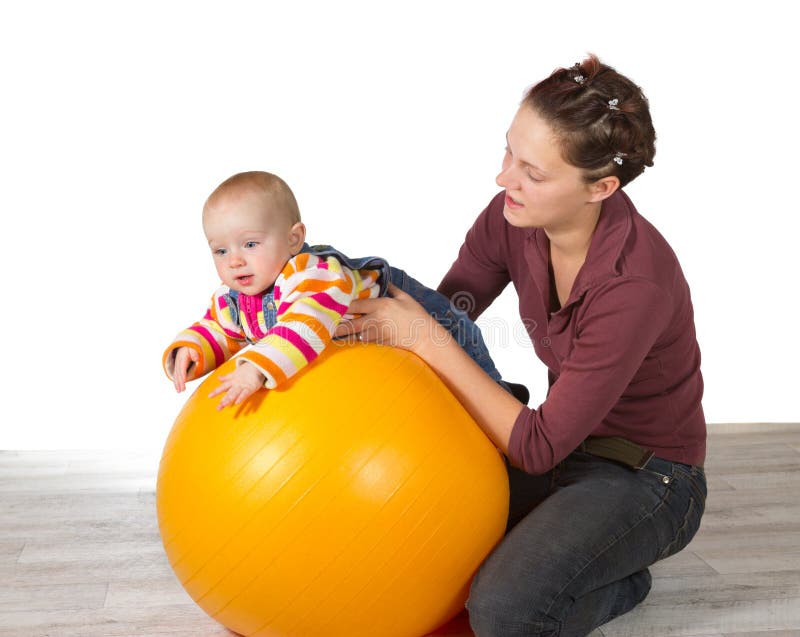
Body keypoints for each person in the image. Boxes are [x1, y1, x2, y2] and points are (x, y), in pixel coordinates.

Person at [337, 55, 707, 636]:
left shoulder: (634, 285)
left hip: (646, 477)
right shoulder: (513, 215)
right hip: (557, 442)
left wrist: (427, 338)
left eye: (533, 172)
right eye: (508, 151)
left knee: (503, 610)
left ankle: (623, 579)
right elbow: (452, 312)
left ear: (600, 187)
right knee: (413, 530)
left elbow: (535, 446)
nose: (504, 178)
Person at [162, 171, 506, 409]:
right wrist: (192, 352)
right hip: (377, 365)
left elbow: (305, 324)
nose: (234, 261)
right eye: (221, 251)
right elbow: (220, 329)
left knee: (473, 394)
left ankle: (506, 418)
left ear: (294, 239)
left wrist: (254, 367)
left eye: (250, 244)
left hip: (427, 327)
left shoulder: (313, 274)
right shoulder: (234, 299)